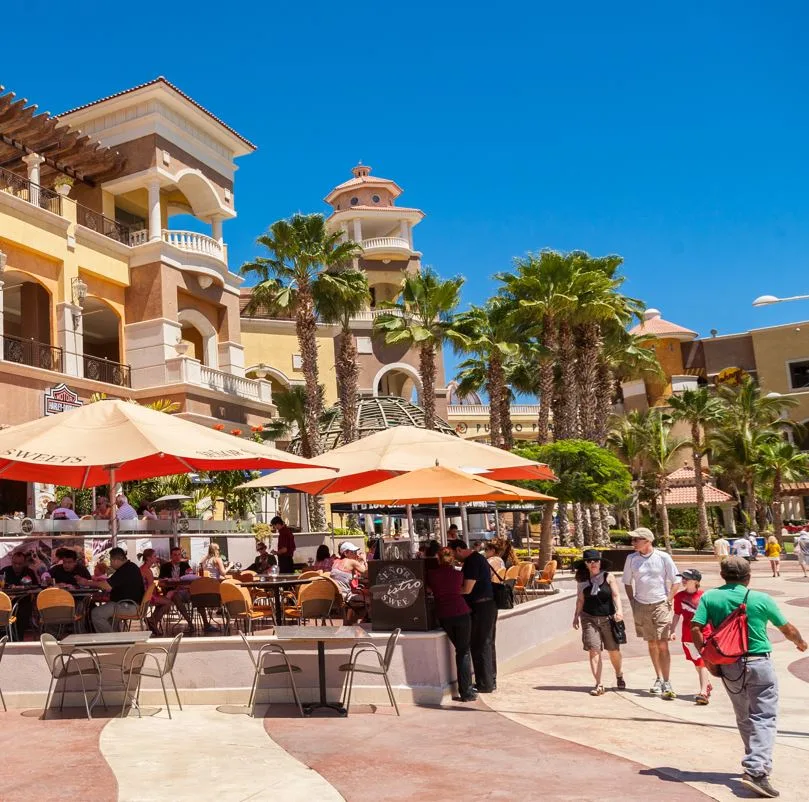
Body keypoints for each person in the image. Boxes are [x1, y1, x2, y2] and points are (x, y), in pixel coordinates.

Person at [692, 556, 807, 799]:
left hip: (729, 664)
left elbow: (696, 628)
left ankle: (757, 763)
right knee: (764, 716)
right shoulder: (760, 598)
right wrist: (800, 642)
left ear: (722, 575)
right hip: (759, 662)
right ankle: (756, 770)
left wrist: (708, 658)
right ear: (748, 576)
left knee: (744, 716)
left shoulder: (710, 597)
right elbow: (786, 628)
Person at [622, 527, 681, 699]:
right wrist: (633, 601)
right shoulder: (631, 559)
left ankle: (667, 681)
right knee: (652, 643)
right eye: (632, 540)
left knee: (663, 643)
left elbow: (676, 580)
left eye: (636, 540)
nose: (632, 543)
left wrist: (669, 599)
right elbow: (627, 581)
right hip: (641, 605)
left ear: (647, 541)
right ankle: (658, 678)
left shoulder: (663, 557)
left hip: (661, 604)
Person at [572, 549, 625, 695]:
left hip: (608, 618)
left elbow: (615, 595)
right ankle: (599, 684)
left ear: (600, 562)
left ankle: (619, 674)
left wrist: (619, 610)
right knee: (593, 650)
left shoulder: (609, 577)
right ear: (586, 564)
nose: (592, 563)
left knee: (613, 650)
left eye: (595, 560)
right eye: (589, 561)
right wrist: (576, 616)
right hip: (589, 618)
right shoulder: (582, 581)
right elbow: (580, 599)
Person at [448, 538, 497, 693]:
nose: (455, 559)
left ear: (459, 550)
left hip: (481, 607)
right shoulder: (478, 558)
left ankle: (484, 684)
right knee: (487, 643)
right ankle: (490, 681)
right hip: (488, 605)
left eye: (454, 555)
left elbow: (467, 589)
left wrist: (450, 592)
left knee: (479, 645)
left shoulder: (472, 562)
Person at [427, 547, 475, 701]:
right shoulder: (458, 574)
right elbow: (462, 589)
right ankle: (466, 692)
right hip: (461, 612)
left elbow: (429, 589)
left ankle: (465, 691)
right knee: (463, 651)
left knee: (461, 650)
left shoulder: (431, 575)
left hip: (444, 615)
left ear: (438, 559)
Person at [671, 569, 712, 705]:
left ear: (696, 581)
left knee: (701, 662)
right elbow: (677, 614)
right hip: (687, 636)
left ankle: (703, 693)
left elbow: (711, 617)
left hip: (703, 634)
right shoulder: (679, 597)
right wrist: (672, 630)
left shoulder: (704, 596)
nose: (683, 580)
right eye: (682, 578)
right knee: (697, 663)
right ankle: (707, 684)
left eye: (686, 578)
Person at [81, 547, 144, 633]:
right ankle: (115, 638)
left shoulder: (125, 570)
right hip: (129, 604)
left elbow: (107, 586)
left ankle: (111, 639)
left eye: (111, 561)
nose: (110, 564)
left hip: (128, 606)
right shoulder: (130, 567)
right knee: (108, 619)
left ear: (116, 560)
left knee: (96, 614)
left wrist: (86, 583)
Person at [2, 551, 38, 639]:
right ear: (11, 562)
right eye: (15, 563)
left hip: (23, 602)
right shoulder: (5, 571)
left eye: (20, 564)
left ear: (24, 563)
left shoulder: (29, 572)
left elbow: (36, 587)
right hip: (6, 603)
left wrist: (28, 588)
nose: (17, 566)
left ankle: (17, 639)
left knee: (22, 613)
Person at [330, 542, 368, 623]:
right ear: (345, 553)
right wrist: (364, 559)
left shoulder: (335, 562)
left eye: (356, 552)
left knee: (360, 596)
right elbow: (367, 572)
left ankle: (349, 623)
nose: (356, 554)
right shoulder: (351, 562)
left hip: (334, 596)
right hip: (346, 596)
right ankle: (352, 624)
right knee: (371, 600)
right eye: (353, 552)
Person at [139, 549, 171, 635]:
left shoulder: (143, 568)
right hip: (146, 596)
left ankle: (152, 621)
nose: (156, 558)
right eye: (154, 556)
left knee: (163, 602)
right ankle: (152, 622)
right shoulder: (147, 570)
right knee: (168, 602)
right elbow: (151, 587)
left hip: (143, 594)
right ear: (148, 558)